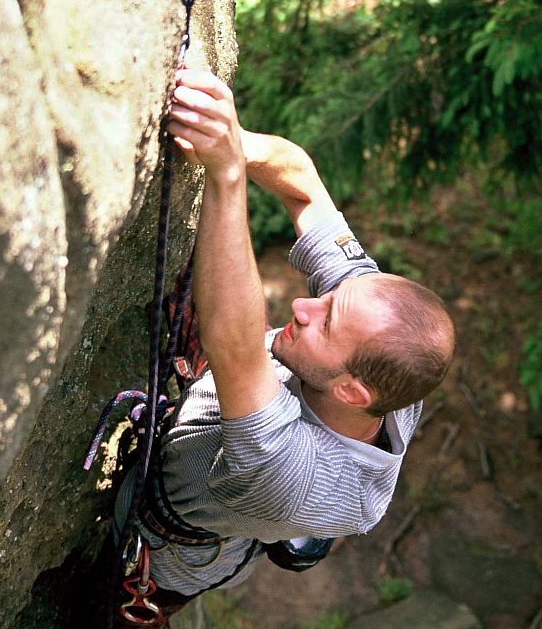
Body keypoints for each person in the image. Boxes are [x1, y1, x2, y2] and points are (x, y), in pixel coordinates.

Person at [114, 68, 455, 620]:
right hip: (216, 435)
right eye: (331, 299)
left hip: (166, 544)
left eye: (324, 323)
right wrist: (234, 142)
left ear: (351, 390)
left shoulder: (293, 477)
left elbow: (235, 348)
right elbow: (303, 184)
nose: (303, 304)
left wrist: (226, 176)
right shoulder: (377, 341)